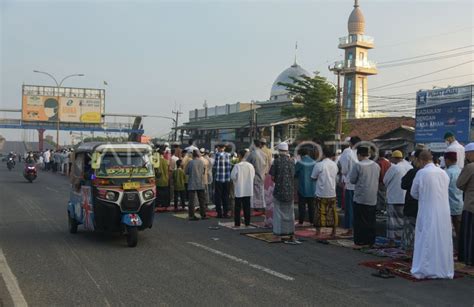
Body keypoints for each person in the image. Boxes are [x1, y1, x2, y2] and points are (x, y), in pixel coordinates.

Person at [410, 150, 454, 279]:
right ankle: (444, 269)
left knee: (426, 238)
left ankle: (425, 269)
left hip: (427, 209)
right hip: (443, 211)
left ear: (421, 160)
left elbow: (414, 193)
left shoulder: (422, 173)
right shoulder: (443, 173)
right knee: (442, 239)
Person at [349, 146, 380, 246]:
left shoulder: (358, 165)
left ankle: (359, 240)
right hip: (372, 197)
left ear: (359, 155)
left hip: (360, 197)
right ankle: (370, 241)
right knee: (371, 220)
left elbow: (352, 180)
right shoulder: (376, 165)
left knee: (359, 221)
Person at [270, 143, 299, 244]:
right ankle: (291, 234)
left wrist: (279, 181)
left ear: (279, 151)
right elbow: (293, 175)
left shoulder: (276, 162)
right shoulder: (292, 162)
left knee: (278, 213)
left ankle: (278, 235)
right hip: (290, 191)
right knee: (290, 213)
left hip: (279, 190)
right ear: (286, 151)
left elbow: (272, 177)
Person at [383, 150, 412, 245]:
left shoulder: (394, 168)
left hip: (393, 197)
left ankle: (392, 241)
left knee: (392, 220)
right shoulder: (409, 166)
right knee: (403, 220)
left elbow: (385, 180)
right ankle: (403, 240)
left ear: (394, 158)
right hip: (406, 198)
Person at [311, 147, 339, 237]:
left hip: (321, 192)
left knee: (319, 212)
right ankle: (333, 231)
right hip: (332, 191)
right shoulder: (335, 165)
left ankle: (318, 231)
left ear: (323, 155)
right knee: (332, 212)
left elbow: (313, 177)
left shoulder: (319, 165)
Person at [400, 149, 422, 252]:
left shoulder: (413, 172)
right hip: (424, 207)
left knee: (409, 228)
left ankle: (409, 251)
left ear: (417, 159)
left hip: (411, 205)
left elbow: (403, 185)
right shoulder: (435, 172)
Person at [456, 143, 474, 266]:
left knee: (470, 234)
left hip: (471, 205)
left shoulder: (470, 167)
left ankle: (469, 258)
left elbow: (459, 184)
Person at [339, 136, 360, 235]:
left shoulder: (347, 152)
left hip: (350, 183)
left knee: (349, 207)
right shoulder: (362, 152)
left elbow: (344, 170)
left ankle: (350, 229)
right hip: (360, 185)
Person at [231, 149, 255, 227]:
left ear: (240, 156)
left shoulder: (237, 166)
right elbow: (253, 176)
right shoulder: (250, 166)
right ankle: (247, 222)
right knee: (247, 206)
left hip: (239, 189)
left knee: (238, 207)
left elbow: (233, 177)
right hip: (248, 189)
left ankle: (237, 223)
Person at [444, 152, 463, 248]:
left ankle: (450, 248)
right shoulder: (461, 170)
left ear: (447, 160)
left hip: (449, 205)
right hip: (460, 204)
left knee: (448, 229)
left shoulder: (447, 172)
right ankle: (461, 250)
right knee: (459, 229)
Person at [295, 147, 316, 225]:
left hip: (302, 187)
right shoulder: (314, 162)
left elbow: (294, 172)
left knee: (302, 206)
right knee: (311, 206)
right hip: (312, 188)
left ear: (300, 154)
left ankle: (301, 221)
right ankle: (312, 221)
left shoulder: (300, 162)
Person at [185, 150, 208, 221]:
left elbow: (186, 172)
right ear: (198, 155)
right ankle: (203, 214)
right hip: (200, 182)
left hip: (192, 183)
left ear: (193, 155)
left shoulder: (190, 162)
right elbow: (203, 172)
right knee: (202, 200)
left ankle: (191, 215)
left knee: (191, 200)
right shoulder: (202, 162)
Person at [246, 139, 267, 210]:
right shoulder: (264, 154)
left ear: (254, 145)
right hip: (262, 176)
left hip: (254, 177)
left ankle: (252, 209)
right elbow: (266, 166)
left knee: (253, 195)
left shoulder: (252, 154)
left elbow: (246, 165)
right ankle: (263, 208)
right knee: (261, 193)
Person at [213, 144, 231, 218]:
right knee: (226, 196)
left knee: (218, 197)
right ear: (224, 148)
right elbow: (230, 166)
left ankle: (219, 213)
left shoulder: (217, 155)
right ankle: (225, 213)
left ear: (218, 148)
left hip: (219, 179)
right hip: (227, 179)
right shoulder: (228, 155)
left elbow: (214, 167)